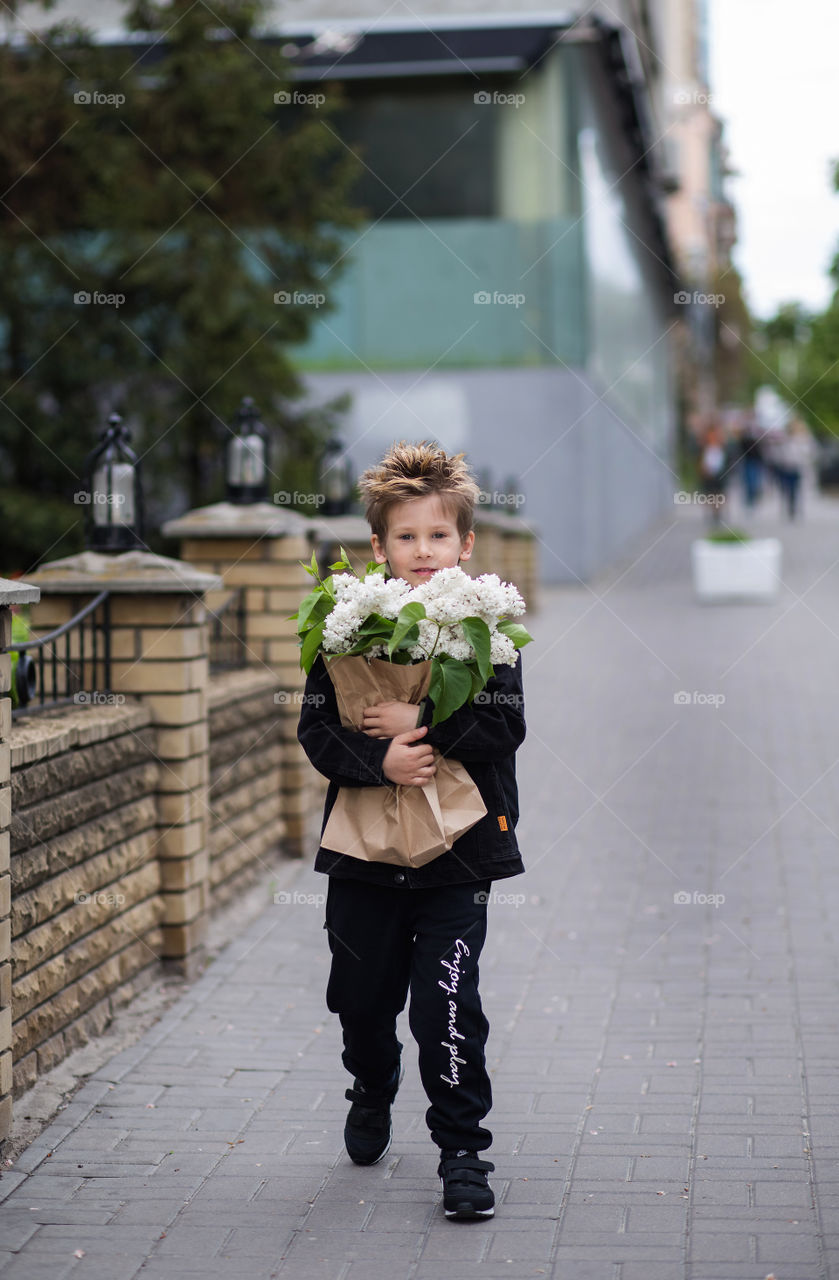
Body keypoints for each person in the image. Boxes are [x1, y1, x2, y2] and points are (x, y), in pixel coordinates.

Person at [297, 440, 526, 1221]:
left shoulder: (487, 626)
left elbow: (504, 727)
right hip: (362, 856)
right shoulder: (344, 630)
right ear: (378, 546)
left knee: (446, 1006)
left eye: (437, 535)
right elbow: (317, 731)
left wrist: (420, 717)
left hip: (459, 857)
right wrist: (379, 760)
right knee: (359, 1001)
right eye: (405, 536)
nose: (422, 550)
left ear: (465, 544)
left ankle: (463, 1153)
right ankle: (371, 1082)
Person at [698, 422, 728, 525]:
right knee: (710, 494)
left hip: (720, 474)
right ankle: (713, 513)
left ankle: (718, 513)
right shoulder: (704, 448)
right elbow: (701, 461)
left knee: (719, 494)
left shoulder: (722, 447)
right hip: (708, 474)